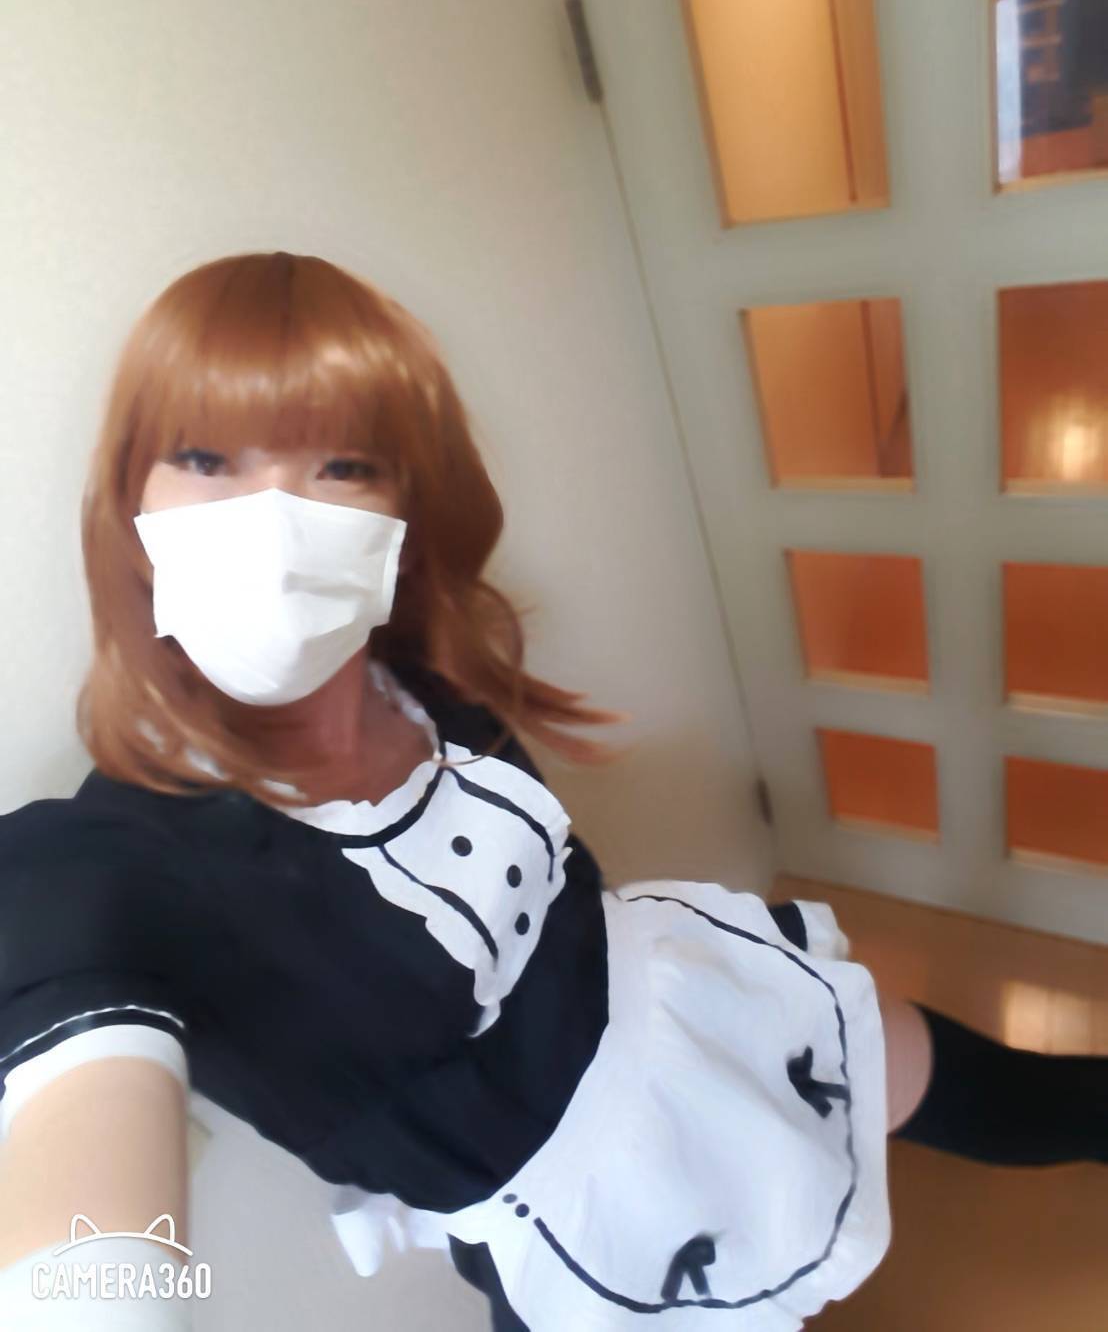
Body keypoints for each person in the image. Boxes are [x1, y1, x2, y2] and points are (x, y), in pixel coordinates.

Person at [0, 252, 1102, 1331]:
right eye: (204, 456)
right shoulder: (110, 861)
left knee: (1005, 1088)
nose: (276, 520)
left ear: (403, 510)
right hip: (577, 1225)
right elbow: (81, 1178)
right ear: (130, 491)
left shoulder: (423, 678)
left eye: (344, 466)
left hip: (684, 1006)